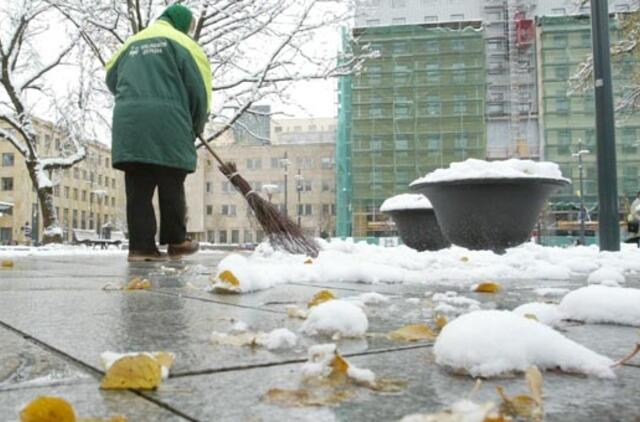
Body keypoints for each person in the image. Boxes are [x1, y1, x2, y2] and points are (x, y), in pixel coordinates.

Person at [105, 4, 212, 262]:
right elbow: (200, 92)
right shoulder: (185, 45)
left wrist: (135, 97)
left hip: (130, 123)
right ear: (183, 24)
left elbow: (111, 77)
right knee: (171, 180)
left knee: (138, 186)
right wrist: (196, 125)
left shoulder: (131, 42)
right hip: (169, 122)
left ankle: (141, 248)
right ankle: (176, 241)